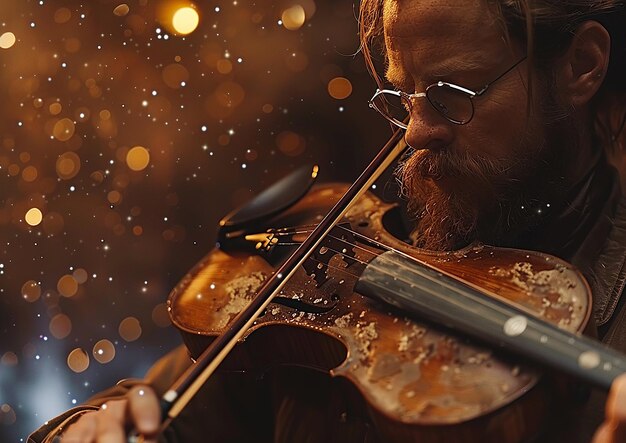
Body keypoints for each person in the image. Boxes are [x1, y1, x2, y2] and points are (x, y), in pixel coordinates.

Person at [29, 0, 626, 441]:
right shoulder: (340, 273)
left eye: (453, 91)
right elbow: (147, 400)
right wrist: (89, 428)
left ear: (582, 66)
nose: (417, 132)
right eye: (404, 96)